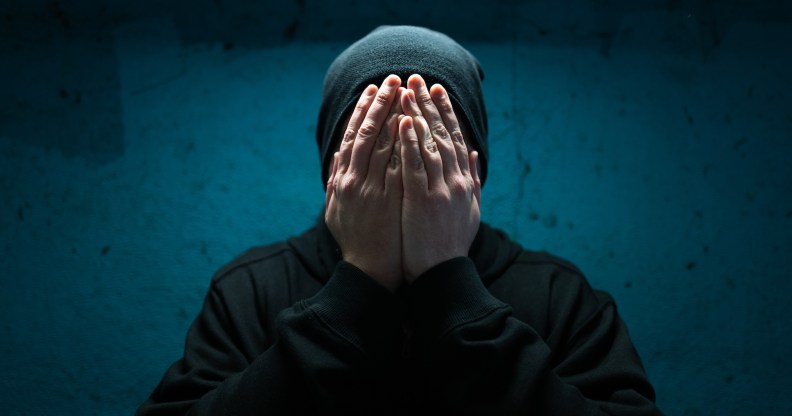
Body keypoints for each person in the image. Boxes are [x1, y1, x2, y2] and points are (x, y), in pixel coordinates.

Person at [137, 25, 662, 415]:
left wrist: (450, 282)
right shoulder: (250, 289)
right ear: (335, 172)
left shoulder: (558, 294)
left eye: (430, 146)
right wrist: (358, 284)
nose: (406, 169)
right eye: (379, 146)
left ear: (472, 169)